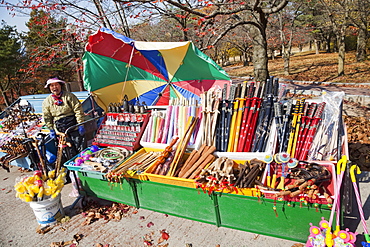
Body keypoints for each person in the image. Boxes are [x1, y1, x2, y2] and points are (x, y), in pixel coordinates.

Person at [42, 76, 86, 158]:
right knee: (67, 150)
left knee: (80, 147)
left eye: (56, 85)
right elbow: (47, 116)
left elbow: (78, 110)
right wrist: (51, 129)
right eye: (52, 86)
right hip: (60, 128)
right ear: (49, 88)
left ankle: (82, 163)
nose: (54, 87)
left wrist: (81, 124)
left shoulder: (69, 96)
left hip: (73, 125)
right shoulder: (47, 101)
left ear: (60, 85)